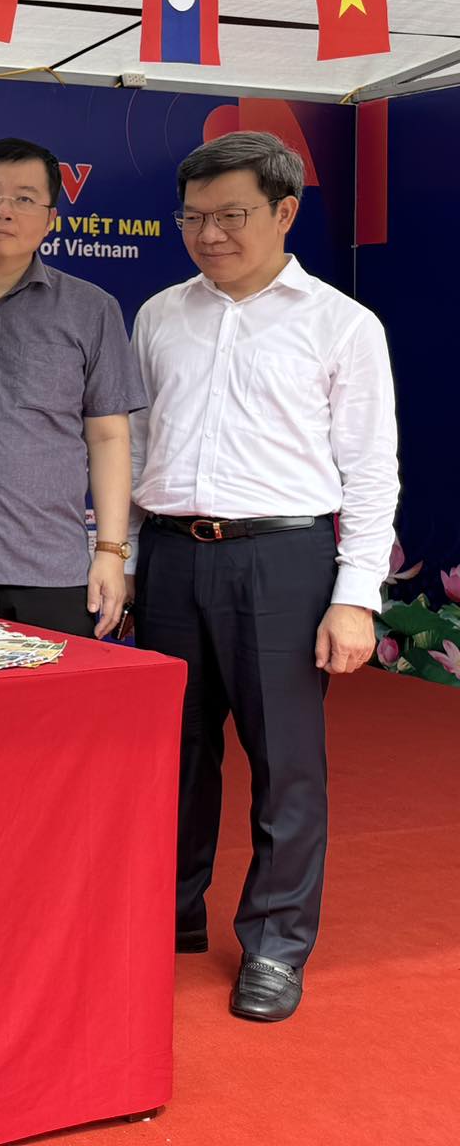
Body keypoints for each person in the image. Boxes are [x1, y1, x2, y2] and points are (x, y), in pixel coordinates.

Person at [130, 129, 398, 1023]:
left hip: (283, 560)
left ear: (284, 212)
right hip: (170, 554)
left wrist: (355, 597)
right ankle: (168, 915)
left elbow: (371, 470)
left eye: (231, 215)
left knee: (285, 762)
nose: (209, 234)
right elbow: (138, 443)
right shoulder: (159, 314)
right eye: (193, 217)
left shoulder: (342, 324)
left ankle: (277, 945)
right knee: (174, 753)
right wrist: (123, 557)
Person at [0, 138, 146, 639]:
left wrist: (110, 552)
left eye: (24, 199)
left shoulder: (92, 310)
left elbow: (108, 437)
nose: (4, 210)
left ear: (50, 219)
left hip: (51, 571)